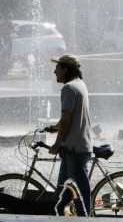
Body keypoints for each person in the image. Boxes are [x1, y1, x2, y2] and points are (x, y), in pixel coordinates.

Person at [45, 54, 92, 216]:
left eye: (57, 68)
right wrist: (53, 128)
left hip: (74, 149)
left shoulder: (68, 88)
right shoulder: (80, 85)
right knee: (62, 194)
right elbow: (69, 118)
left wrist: (57, 143)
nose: (54, 72)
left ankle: (86, 219)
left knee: (81, 197)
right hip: (76, 146)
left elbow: (67, 119)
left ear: (65, 69)